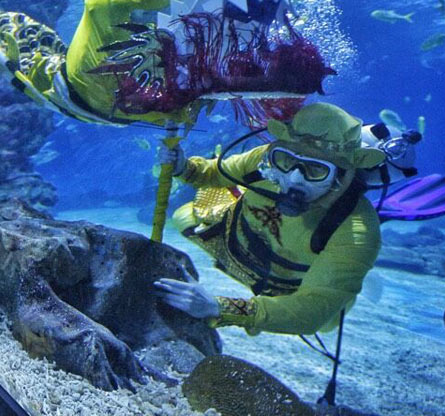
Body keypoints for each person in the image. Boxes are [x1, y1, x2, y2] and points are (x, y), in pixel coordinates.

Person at [153, 102, 386, 336]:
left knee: (327, 320)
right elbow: (214, 173)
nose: (294, 179)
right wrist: (182, 167)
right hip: (235, 245)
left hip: (287, 289)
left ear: (342, 176)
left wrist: (221, 307)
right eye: (285, 160)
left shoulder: (357, 229)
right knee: (184, 217)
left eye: (315, 170)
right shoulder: (263, 160)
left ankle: (281, 304)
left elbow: (312, 311)